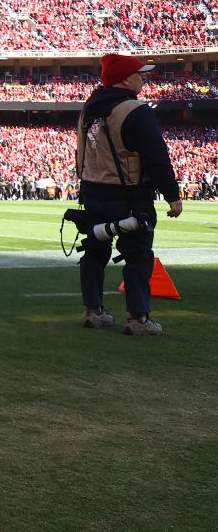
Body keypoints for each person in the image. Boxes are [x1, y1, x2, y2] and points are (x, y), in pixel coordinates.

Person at [76, 53, 183, 336]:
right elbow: (156, 157)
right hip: (130, 195)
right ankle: (138, 317)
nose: (143, 77)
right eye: (139, 74)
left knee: (94, 250)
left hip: (93, 190)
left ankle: (93, 310)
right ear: (124, 79)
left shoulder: (89, 108)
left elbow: (80, 154)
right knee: (138, 254)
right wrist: (172, 194)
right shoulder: (136, 110)